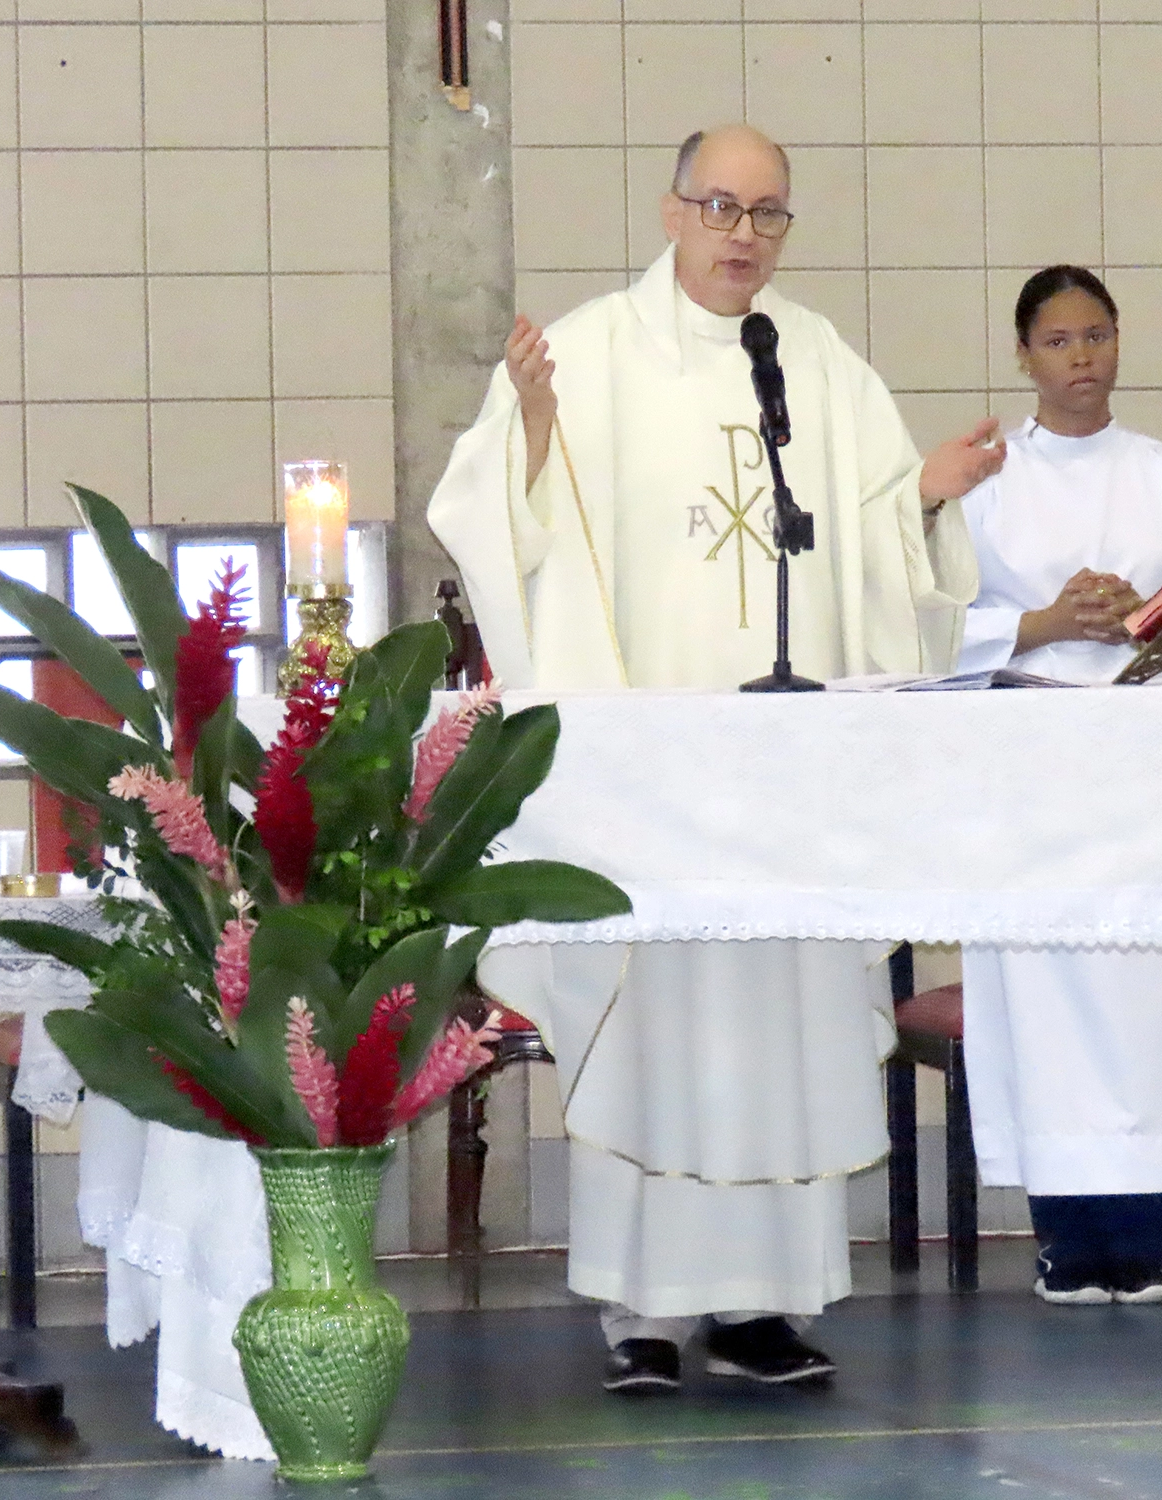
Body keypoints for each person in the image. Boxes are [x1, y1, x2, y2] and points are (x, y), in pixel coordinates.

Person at [428, 124, 999, 1393]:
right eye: (722, 206)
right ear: (672, 209)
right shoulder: (586, 353)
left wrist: (921, 503)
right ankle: (640, 1308)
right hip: (657, 773)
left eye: (769, 213)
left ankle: (764, 1306)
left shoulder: (817, 361)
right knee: (659, 1027)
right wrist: (526, 432)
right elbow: (487, 522)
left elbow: (869, 553)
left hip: (785, 778)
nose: (744, 234)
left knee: (779, 1027)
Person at [956, 264, 1162, 1305]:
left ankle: (1143, 1244)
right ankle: (1066, 1245)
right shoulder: (986, 480)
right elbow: (930, 619)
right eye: (1059, 341)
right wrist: (1043, 622)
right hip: (1028, 766)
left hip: (1146, 765)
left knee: (1149, 1007)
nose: (1082, 359)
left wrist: (1148, 613)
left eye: (1098, 336)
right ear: (1022, 355)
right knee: (1048, 1008)